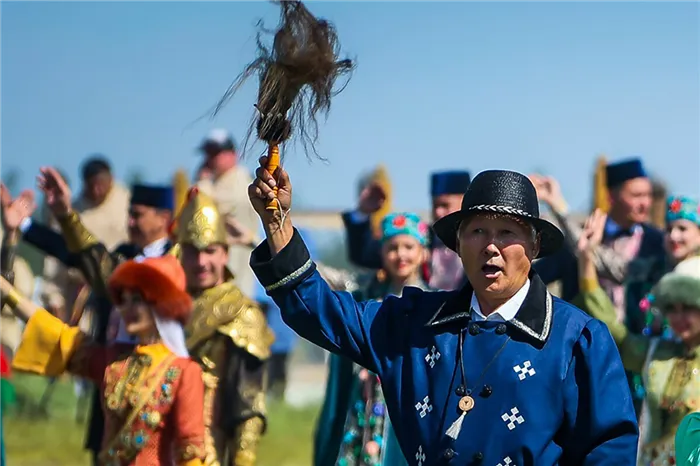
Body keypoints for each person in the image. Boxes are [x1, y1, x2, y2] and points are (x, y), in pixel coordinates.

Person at [248, 161, 639, 464]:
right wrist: (276, 223)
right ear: (457, 245)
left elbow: (609, 450)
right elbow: (324, 313)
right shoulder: (415, 325)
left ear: (534, 246)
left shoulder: (577, 338)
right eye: (477, 232)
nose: (491, 247)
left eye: (507, 233)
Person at [1, 167, 176, 465]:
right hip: (113, 372)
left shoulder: (181, 260)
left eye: (138, 214)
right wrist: (26, 225)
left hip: (161, 385)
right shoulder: (122, 256)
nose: (130, 221)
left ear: (163, 218)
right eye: (129, 214)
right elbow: (78, 256)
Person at [5, 255, 206, 465]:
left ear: (162, 305)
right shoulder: (116, 361)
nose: (126, 309)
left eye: (136, 300)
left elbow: (190, 451)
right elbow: (60, 337)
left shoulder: (184, 372)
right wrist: (9, 294)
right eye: (124, 300)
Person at [575, 209, 700, 466]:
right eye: (672, 309)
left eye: (688, 308)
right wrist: (586, 258)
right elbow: (615, 334)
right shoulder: (658, 354)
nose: (679, 317)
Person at [315, 212, 430, 466]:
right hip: (365, 402)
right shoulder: (366, 295)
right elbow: (319, 277)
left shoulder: (433, 303)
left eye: (409, 247)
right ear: (381, 253)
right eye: (392, 248)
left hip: (407, 404)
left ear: (424, 252)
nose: (401, 255)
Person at [173, 188, 274, 466]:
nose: (201, 262)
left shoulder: (241, 311)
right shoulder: (162, 304)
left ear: (225, 253)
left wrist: (243, 456)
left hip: (206, 444)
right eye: (192, 252)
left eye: (210, 251)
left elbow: (250, 401)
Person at [342, 170, 471, 290]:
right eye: (435, 205)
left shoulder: (479, 241)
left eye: (444, 205)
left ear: (464, 202)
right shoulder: (418, 237)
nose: (438, 212)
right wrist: (363, 212)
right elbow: (363, 255)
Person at [196, 129, 261, 299]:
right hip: (218, 277)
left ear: (232, 154)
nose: (209, 160)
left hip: (236, 278)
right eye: (208, 153)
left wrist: (201, 183)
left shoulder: (239, 181)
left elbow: (206, 208)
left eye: (215, 153)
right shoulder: (217, 182)